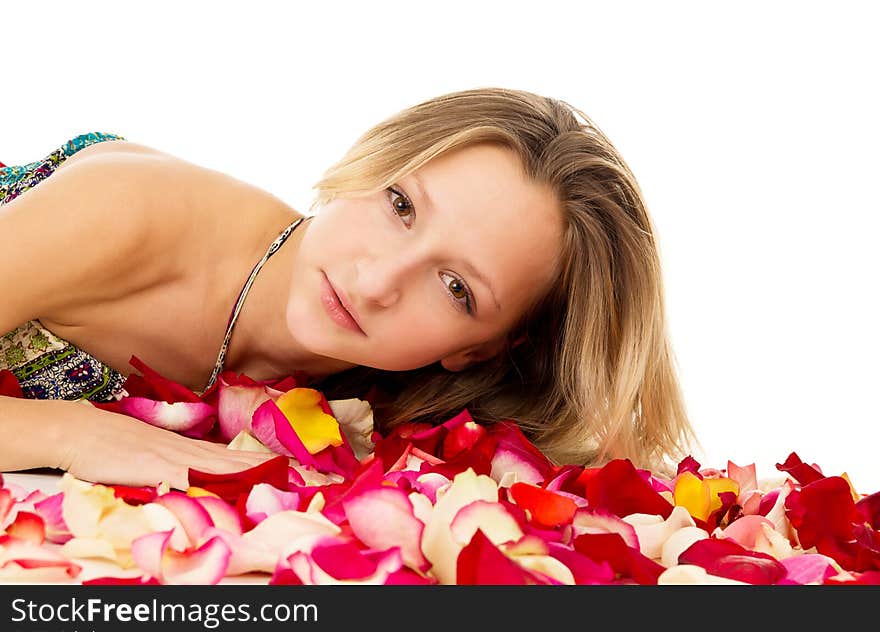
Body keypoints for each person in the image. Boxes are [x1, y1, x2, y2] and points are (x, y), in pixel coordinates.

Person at [0, 87, 696, 490]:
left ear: (481, 350)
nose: (376, 281)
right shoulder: (128, 212)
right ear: (369, 162)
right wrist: (73, 433)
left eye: (456, 287)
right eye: (400, 205)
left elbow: (615, 457)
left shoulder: (385, 407)